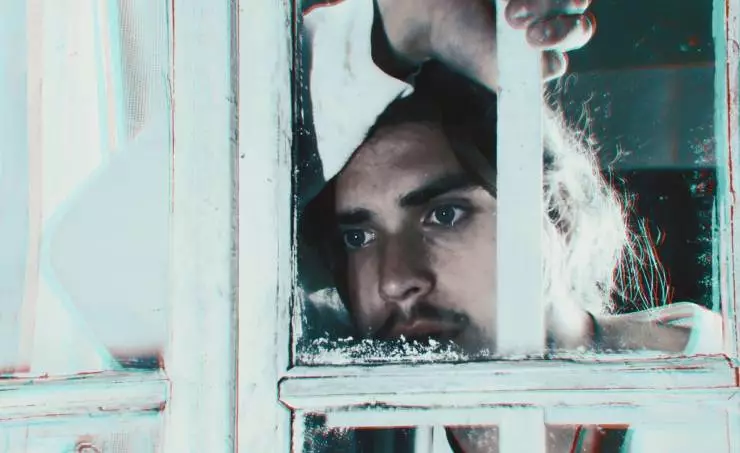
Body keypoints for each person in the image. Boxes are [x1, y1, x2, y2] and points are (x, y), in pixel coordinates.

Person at [297, 0, 724, 451]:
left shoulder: (715, 398)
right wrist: (414, 23)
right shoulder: (349, 414)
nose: (395, 281)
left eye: (445, 215)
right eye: (358, 237)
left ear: (555, 213)